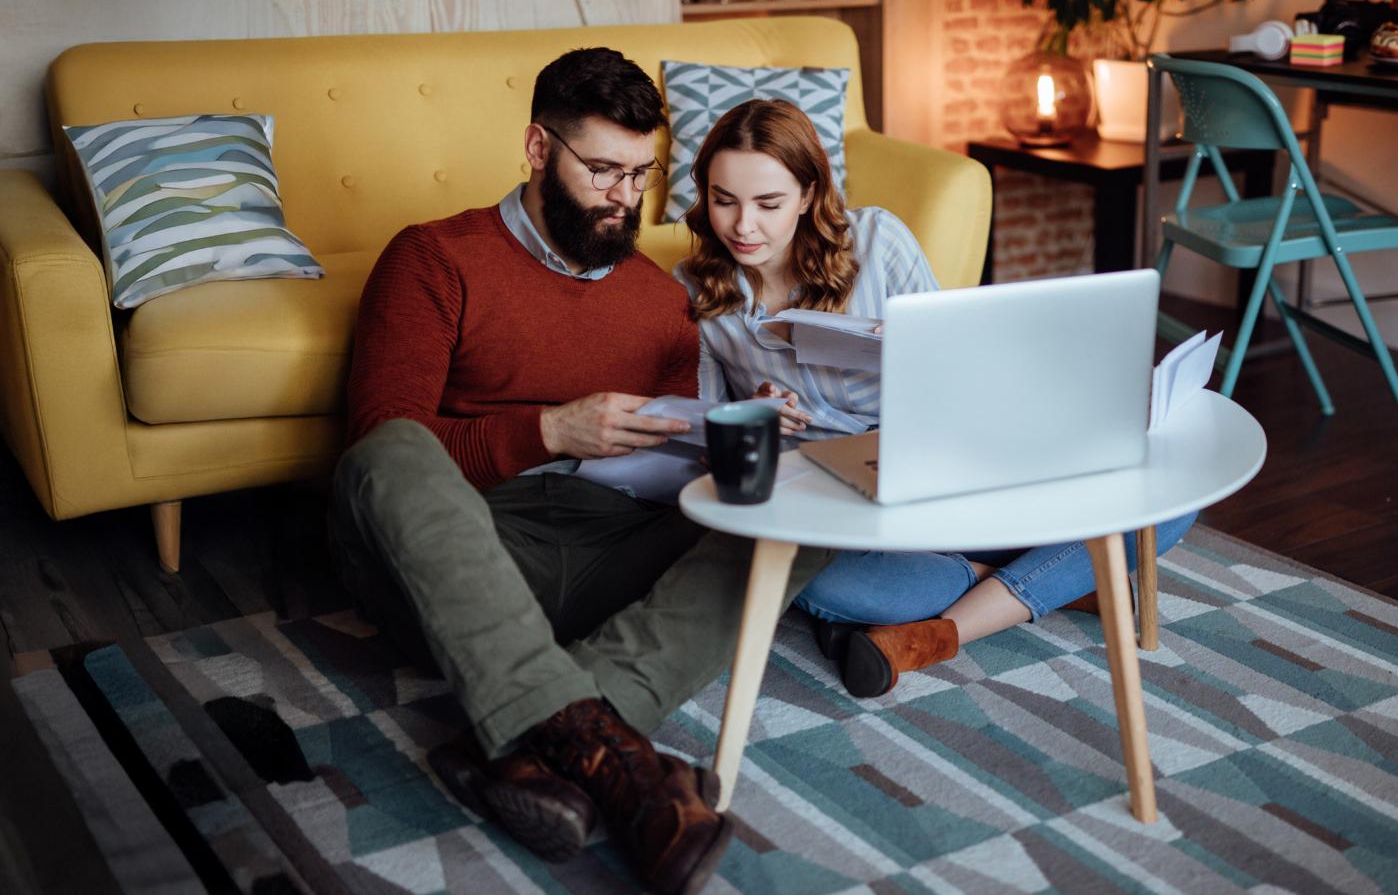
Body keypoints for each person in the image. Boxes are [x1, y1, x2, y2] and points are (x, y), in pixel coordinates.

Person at [327, 51, 833, 895]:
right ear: (536, 147)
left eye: (642, 174)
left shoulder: (659, 297)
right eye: (601, 169)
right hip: (467, 550)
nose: (623, 198)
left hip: (610, 544)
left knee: (804, 495)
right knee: (387, 452)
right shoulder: (433, 258)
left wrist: (727, 441)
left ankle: (547, 738)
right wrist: (547, 431)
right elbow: (383, 443)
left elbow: (674, 449)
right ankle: (628, 768)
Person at [675, 98, 1196, 700]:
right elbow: (708, 440)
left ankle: (940, 630)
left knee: (1167, 492)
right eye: (723, 200)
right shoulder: (697, 292)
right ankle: (1044, 579)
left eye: (768, 204)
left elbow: (967, 376)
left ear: (809, 193)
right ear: (703, 193)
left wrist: (926, 351)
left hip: (948, 463)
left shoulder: (876, 240)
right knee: (816, 587)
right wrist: (755, 420)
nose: (744, 226)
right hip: (845, 501)